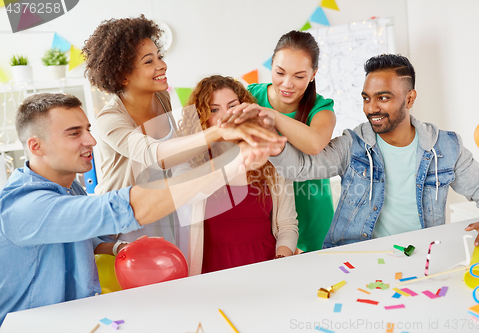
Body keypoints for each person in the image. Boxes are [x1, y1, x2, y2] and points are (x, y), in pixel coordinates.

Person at [0, 93, 281, 324]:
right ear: (36, 146)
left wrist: (116, 247)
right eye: (75, 133)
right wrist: (233, 165)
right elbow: (132, 204)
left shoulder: (68, 187)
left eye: (87, 129)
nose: (91, 141)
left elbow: (86, 233)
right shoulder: (24, 207)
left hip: (77, 319)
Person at [268, 54, 479, 254]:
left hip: (420, 256)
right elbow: (299, 169)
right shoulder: (353, 144)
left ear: (409, 99)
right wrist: (266, 134)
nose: (371, 108)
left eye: (383, 98)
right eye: (366, 98)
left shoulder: (446, 147)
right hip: (356, 259)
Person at [82, 15, 281, 247]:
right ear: (122, 75)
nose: (162, 65)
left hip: (163, 210)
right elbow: (155, 155)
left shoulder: (162, 97)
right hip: (126, 222)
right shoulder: (110, 119)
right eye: (149, 61)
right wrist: (218, 132)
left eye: (160, 56)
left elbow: (178, 159)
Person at [219, 30, 337, 253]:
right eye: (280, 72)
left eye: (299, 76)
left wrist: (271, 115)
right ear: (271, 64)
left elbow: (314, 144)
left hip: (310, 209)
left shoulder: (321, 110)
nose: (287, 84)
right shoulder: (250, 96)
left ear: (313, 74)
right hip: (262, 210)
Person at [173, 75, 298, 274]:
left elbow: (287, 224)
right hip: (212, 274)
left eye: (232, 106)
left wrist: (281, 260)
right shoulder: (187, 162)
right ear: (201, 117)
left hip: (266, 267)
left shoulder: (269, 158)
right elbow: (186, 193)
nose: (226, 116)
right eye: (214, 109)